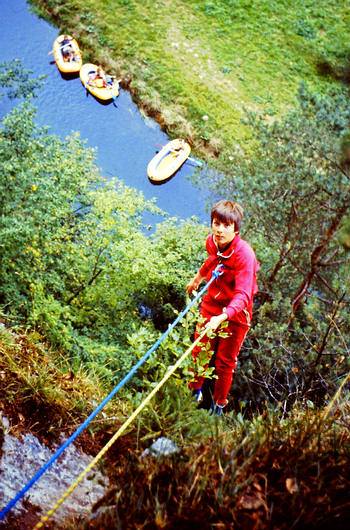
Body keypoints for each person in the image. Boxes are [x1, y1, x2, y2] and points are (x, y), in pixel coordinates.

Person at [186, 200, 259, 415]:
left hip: (236, 314)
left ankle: (218, 405)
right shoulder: (212, 242)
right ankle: (193, 393)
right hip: (212, 304)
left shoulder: (245, 255)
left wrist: (224, 316)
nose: (219, 229)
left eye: (226, 225)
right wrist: (198, 277)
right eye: (216, 223)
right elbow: (212, 259)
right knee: (200, 350)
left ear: (236, 229)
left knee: (224, 362)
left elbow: (244, 294)